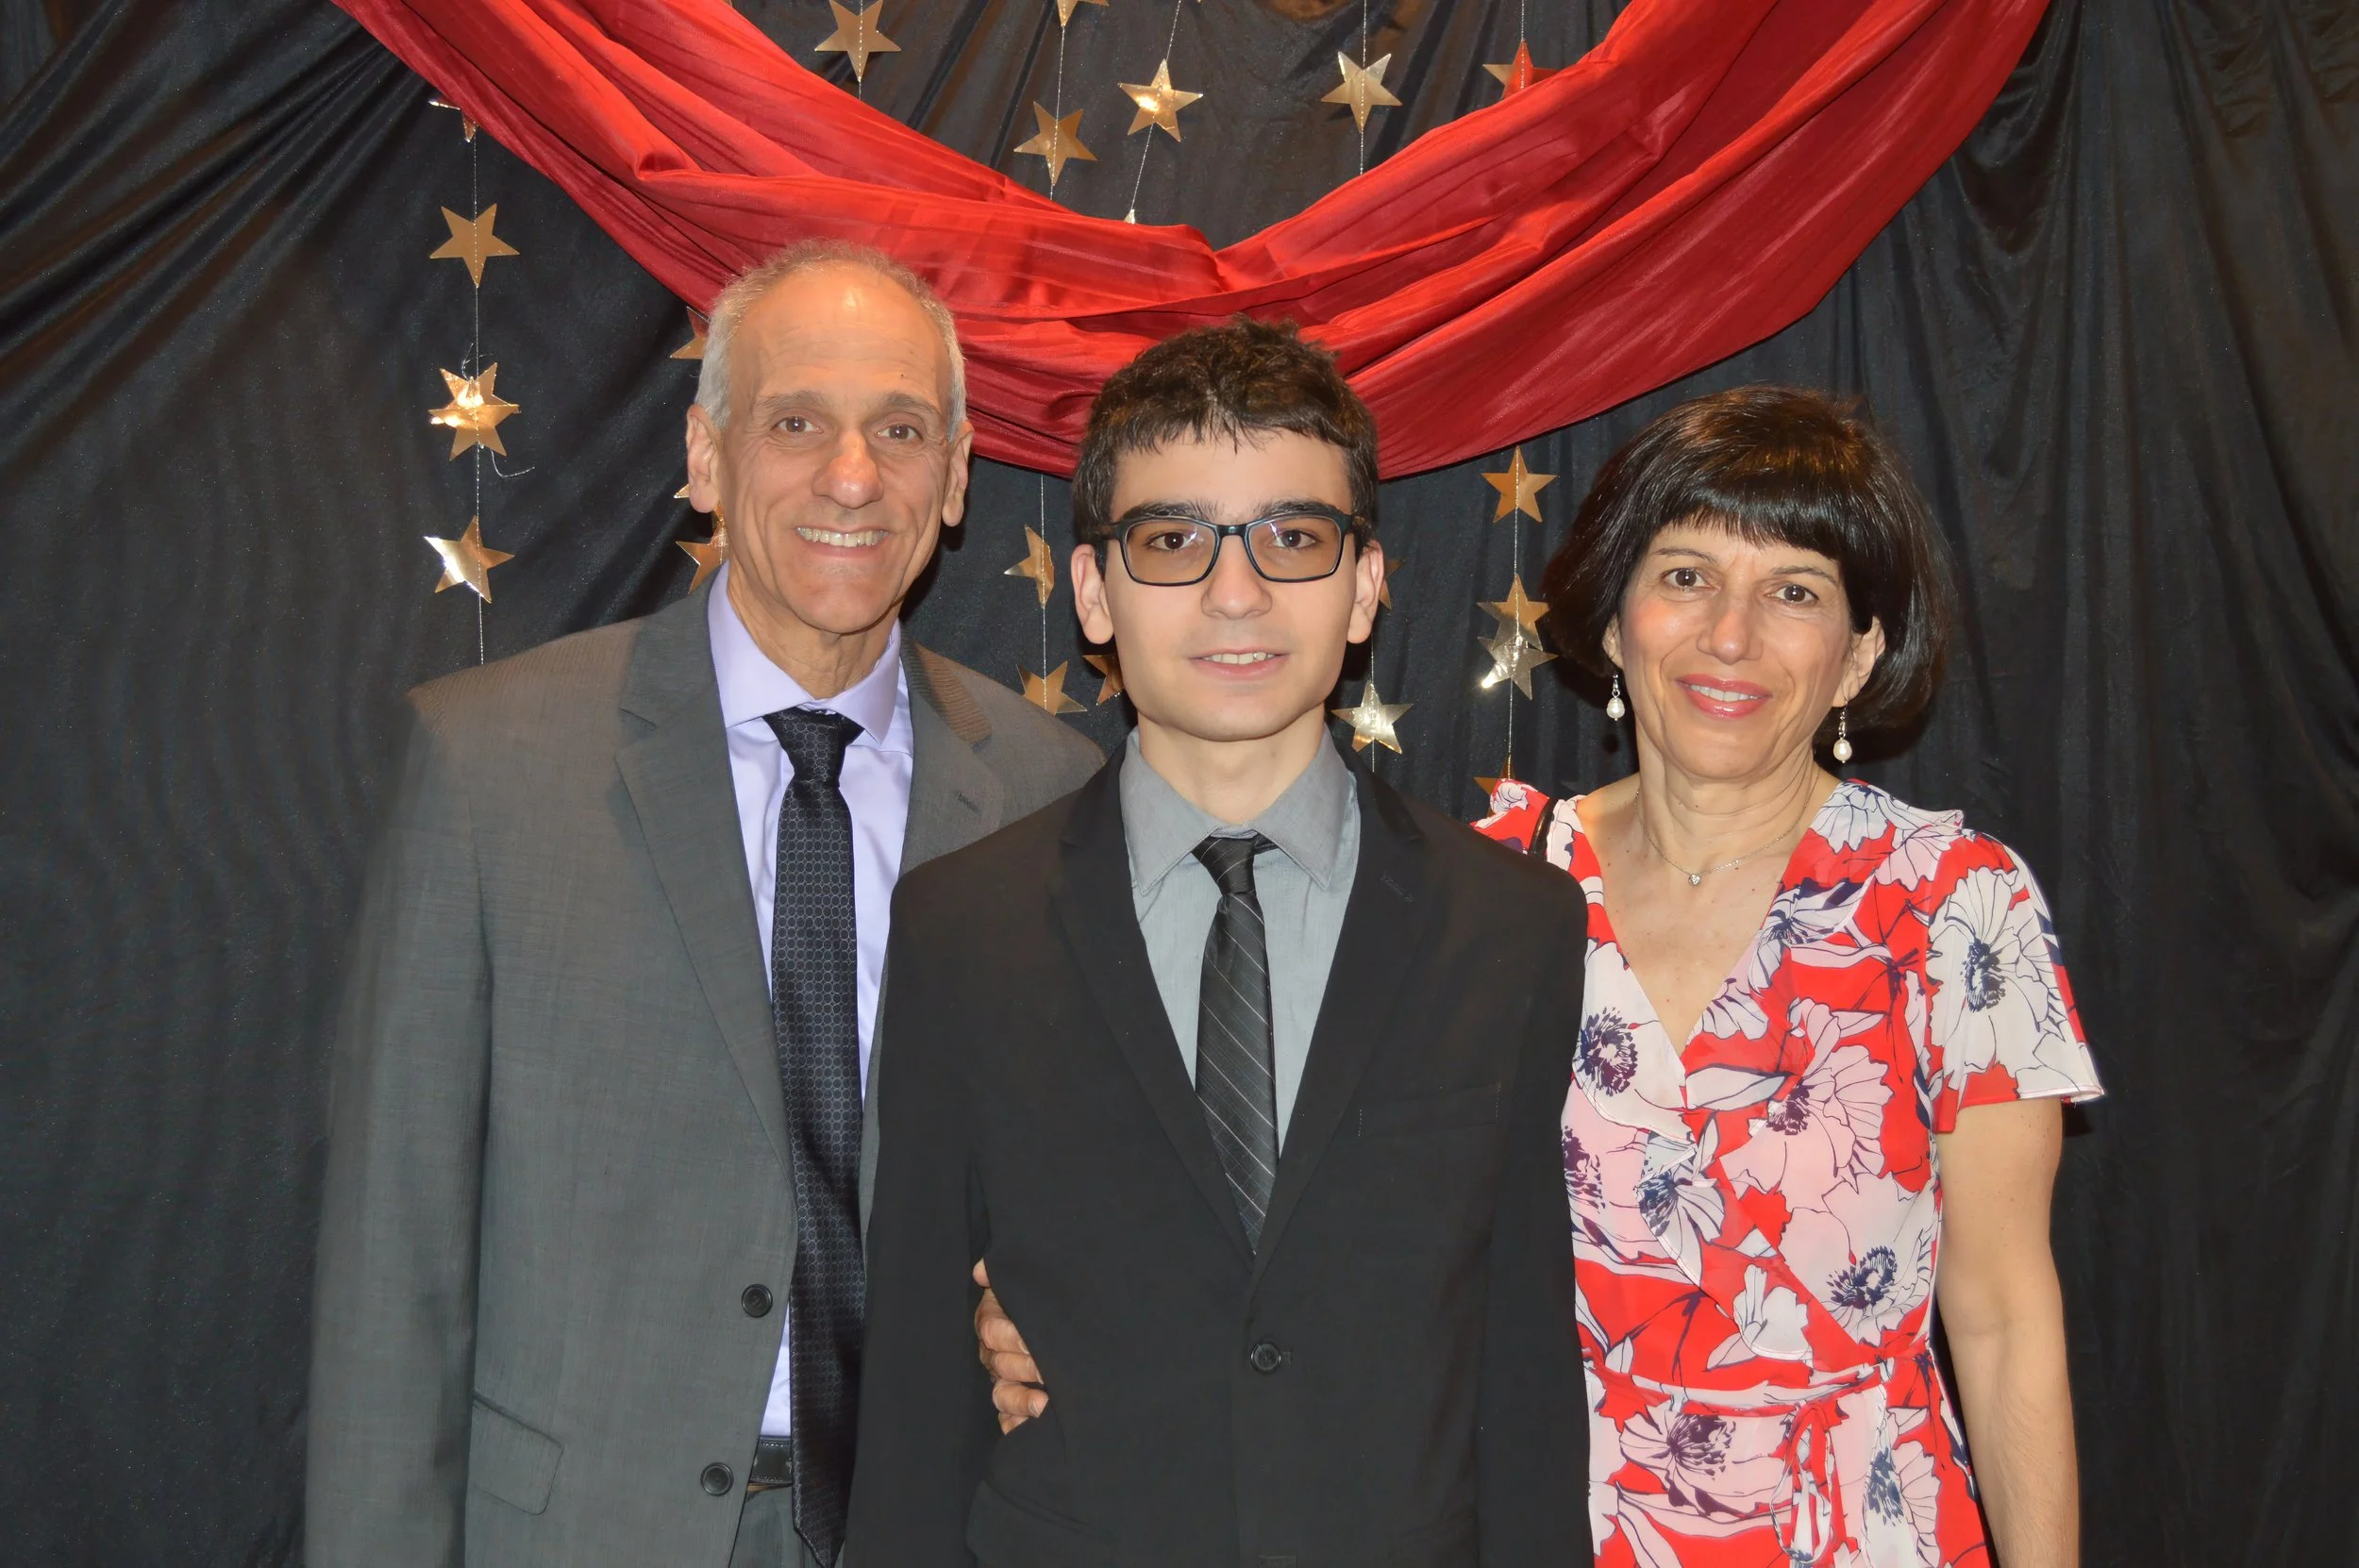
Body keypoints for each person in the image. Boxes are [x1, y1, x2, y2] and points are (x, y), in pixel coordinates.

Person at [305, 241, 1101, 1568]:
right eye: (797, 422)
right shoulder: (494, 766)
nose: (853, 476)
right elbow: (395, 1270)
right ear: (705, 454)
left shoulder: (1050, 792)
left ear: (957, 475)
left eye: (902, 430)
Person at [845, 320, 1594, 1566]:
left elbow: (1522, 1370)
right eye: (1172, 540)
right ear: (1093, 590)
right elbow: (918, 1391)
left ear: (1364, 587)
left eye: (1292, 538)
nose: (1234, 593)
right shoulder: (960, 927)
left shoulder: (1510, 923)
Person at [1470, 387, 2102, 1567]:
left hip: (1859, 1530)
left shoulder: (1955, 903)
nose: (1730, 636)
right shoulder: (1484, 892)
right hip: (1547, 1525)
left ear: (1859, 652)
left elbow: (2007, 1318)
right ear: (1612, 620)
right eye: (1685, 576)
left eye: (1794, 592)